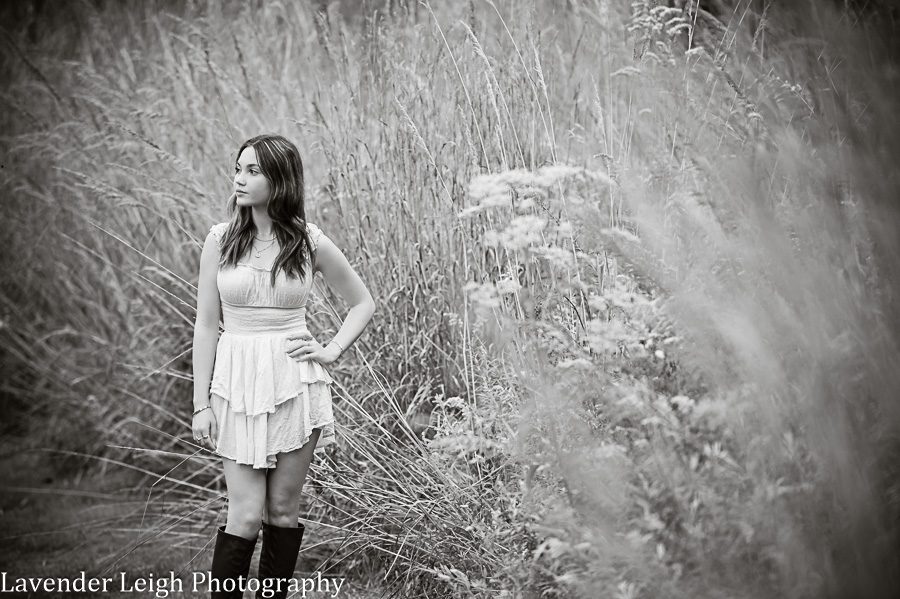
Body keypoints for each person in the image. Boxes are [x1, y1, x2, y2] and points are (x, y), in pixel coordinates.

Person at [190, 134, 376, 599]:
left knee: (282, 510)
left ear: (281, 180)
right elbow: (206, 325)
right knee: (244, 514)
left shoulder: (309, 242)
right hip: (236, 383)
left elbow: (362, 302)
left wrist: (331, 350)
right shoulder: (220, 240)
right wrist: (200, 405)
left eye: (253, 171)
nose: (239, 179)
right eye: (238, 168)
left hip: (295, 381)